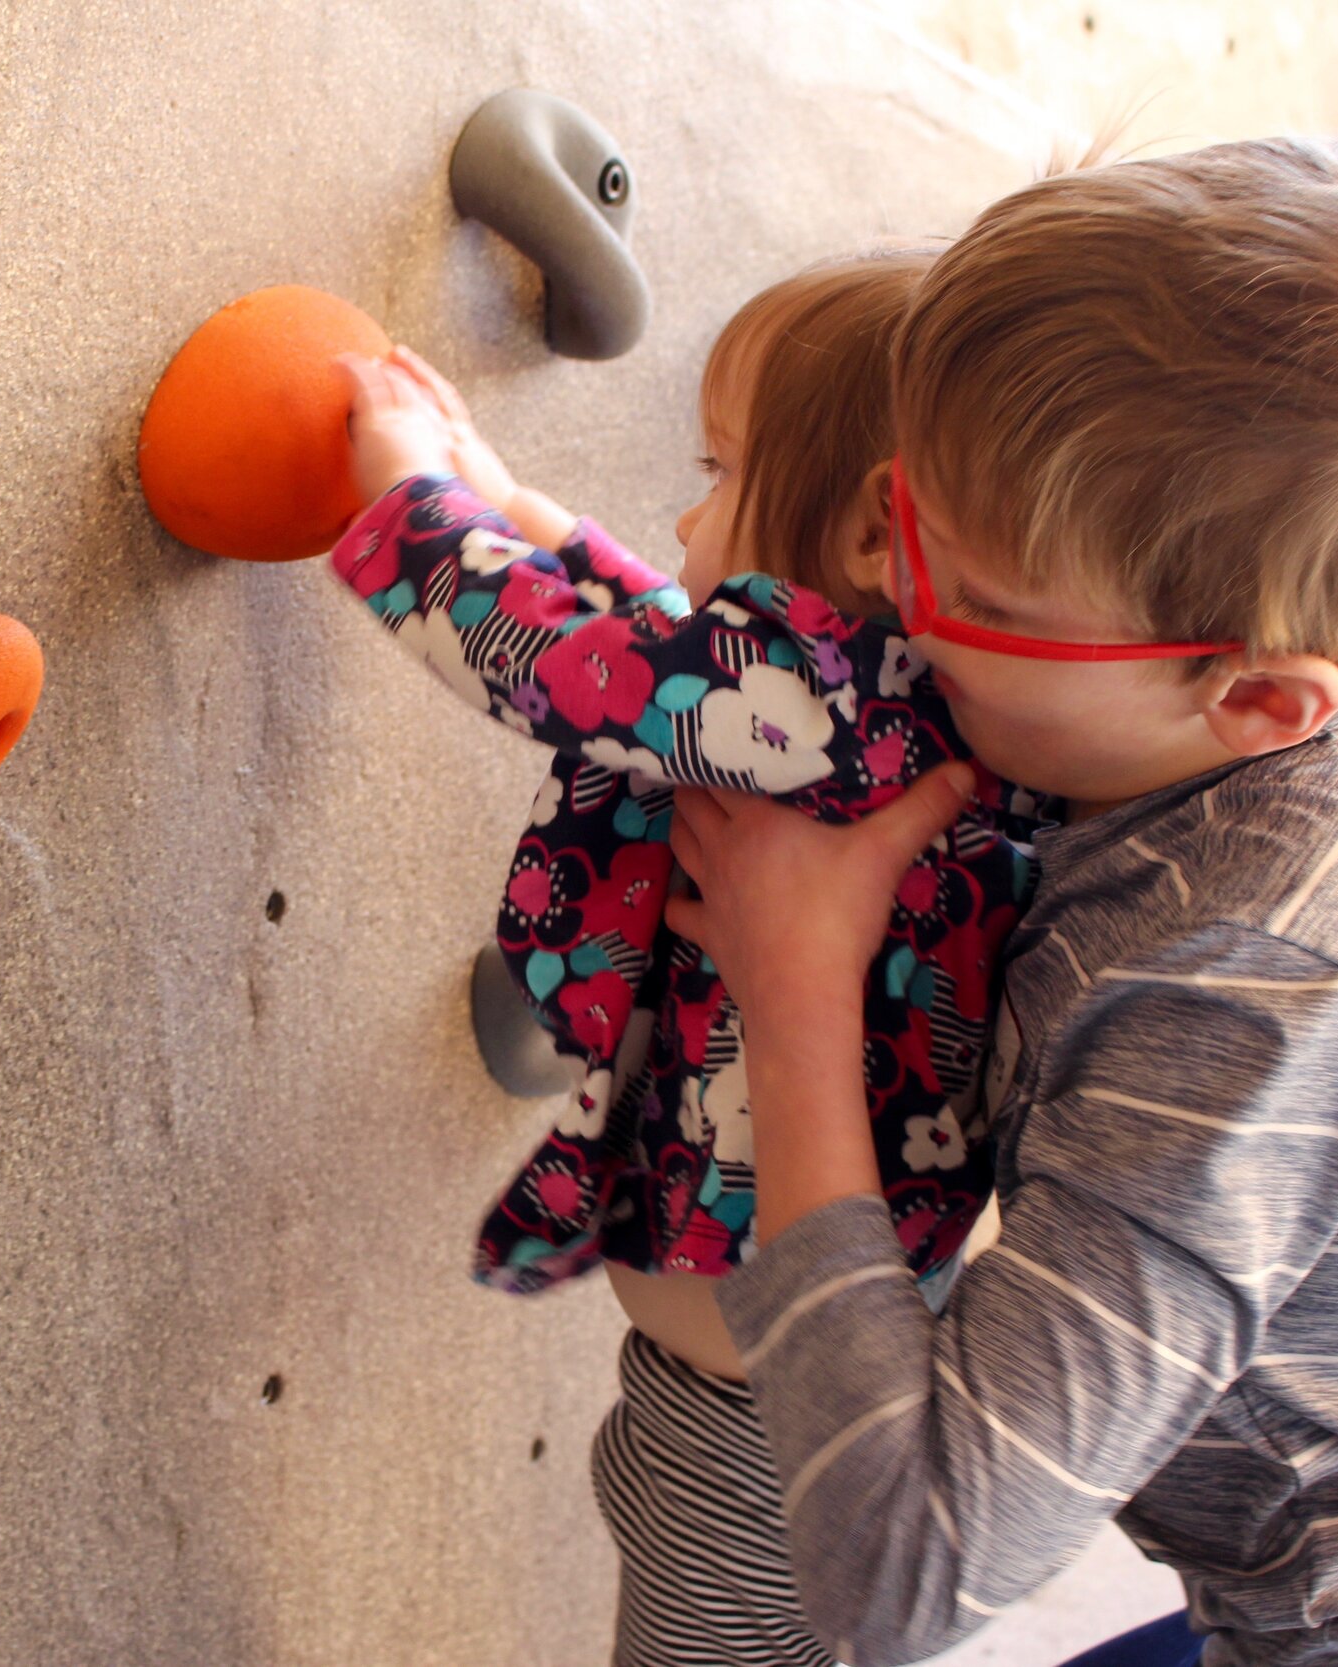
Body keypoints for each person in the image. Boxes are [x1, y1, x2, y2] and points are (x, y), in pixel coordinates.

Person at [654, 138, 1338, 1665]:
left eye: (978, 597)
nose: (883, 570)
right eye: (898, 499)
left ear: (1261, 697)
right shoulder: (1236, 739)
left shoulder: (1239, 991)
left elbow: (903, 1575)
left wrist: (795, 988)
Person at [328, 251, 1048, 1663]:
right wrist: (508, 499)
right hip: (742, 1399)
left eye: (719, 470)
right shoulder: (876, 706)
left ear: (865, 541)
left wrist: (410, 502)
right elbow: (671, 646)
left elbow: (571, 668)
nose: (687, 505)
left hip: (753, 1440)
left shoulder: (815, 708)